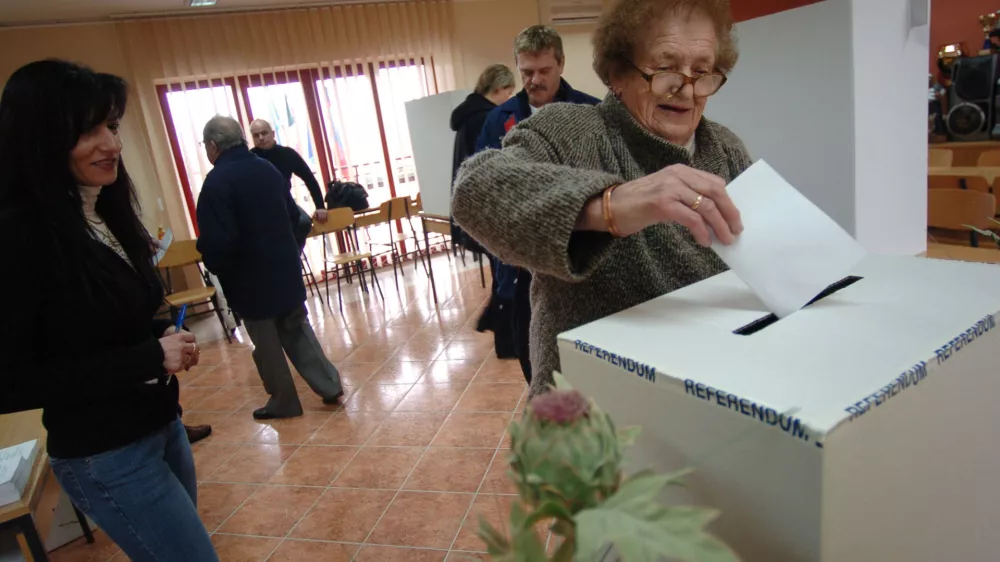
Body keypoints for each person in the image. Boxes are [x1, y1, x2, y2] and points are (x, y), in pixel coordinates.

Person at [453, 0, 747, 400]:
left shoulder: (725, 148)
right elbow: (474, 191)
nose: (688, 89)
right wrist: (610, 205)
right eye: (666, 69)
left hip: (710, 397)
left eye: (702, 72)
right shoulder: (569, 130)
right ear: (617, 73)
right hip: (592, 419)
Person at [0, 60, 218, 561]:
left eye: (112, 127)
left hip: (162, 426)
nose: (112, 144)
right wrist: (146, 360)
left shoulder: (101, 212)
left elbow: (112, 313)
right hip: (105, 452)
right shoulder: (19, 236)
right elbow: (12, 380)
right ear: (40, 140)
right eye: (88, 131)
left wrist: (162, 331)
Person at [475, 25, 601, 385]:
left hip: (581, 262)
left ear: (560, 64)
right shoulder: (498, 121)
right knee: (535, 365)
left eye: (544, 71)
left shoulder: (591, 114)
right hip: (520, 269)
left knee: (585, 367)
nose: (534, 80)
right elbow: (482, 190)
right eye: (526, 72)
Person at [197, 116, 344, 420]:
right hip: (285, 268)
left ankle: (284, 401)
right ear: (242, 138)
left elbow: (219, 243)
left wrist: (210, 257)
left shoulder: (215, 183)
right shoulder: (268, 170)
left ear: (212, 146)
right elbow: (295, 217)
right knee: (298, 329)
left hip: (250, 280)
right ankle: (329, 385)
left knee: (267, 345)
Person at [450, 63, 516, 253]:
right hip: (488, 204)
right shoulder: (488, 118)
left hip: (471, 201)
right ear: (497, 88)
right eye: (508, 93)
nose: (508, 99)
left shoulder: (467, 116)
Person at [250, 118, 327, 225]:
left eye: (264, 133)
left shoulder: (287, 154)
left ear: (273, 134)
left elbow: (309, 179)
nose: (261, 138)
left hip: (285, 204)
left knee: (304, 223)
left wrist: (320, 207)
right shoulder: (249, 159)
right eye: (256, 135)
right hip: (259, 210)